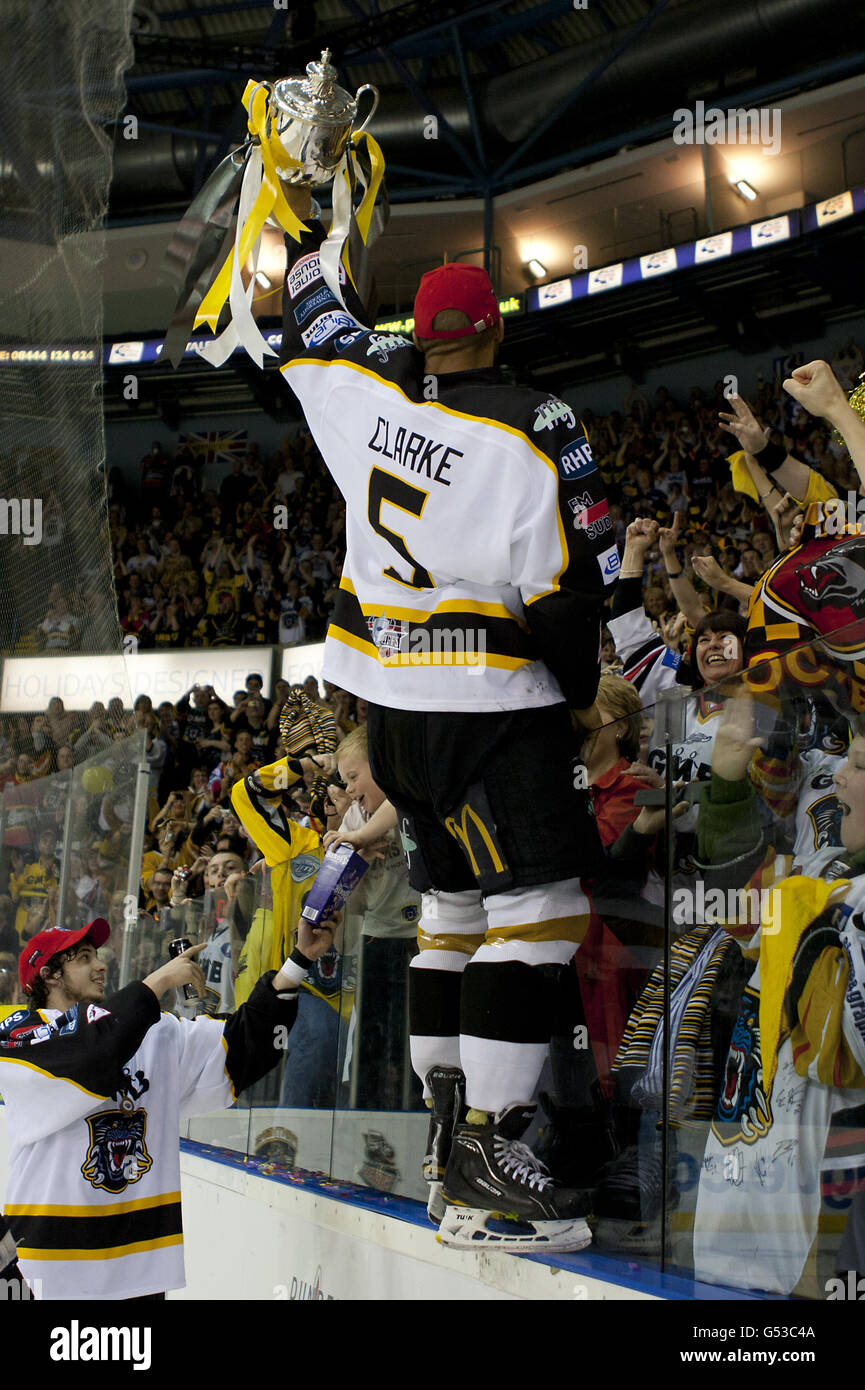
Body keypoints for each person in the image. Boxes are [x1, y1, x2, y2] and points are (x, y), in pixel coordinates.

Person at [277, 183, 615, 1252]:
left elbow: (311, 312)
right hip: (491, 702)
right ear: (500, 330)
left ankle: (443, 1145)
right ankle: (497, 1162)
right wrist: (572, 691)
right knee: (539, 915)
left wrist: (309, 228)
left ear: (415, 335)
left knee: (452, 919)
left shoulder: (362, 398)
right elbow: (581, 584)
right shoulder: (537, 424)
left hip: (394, 717)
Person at [0, 911, 335, 1300]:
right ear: (48, 975)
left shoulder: (152, 1033)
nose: (101, 964)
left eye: (97, 954)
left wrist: (298, 963)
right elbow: (92, 1057)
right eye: (84, 957)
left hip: (137, 1269)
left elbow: (240, 1048)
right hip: (46, 1270)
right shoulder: (17, 1042)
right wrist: (155, 982)